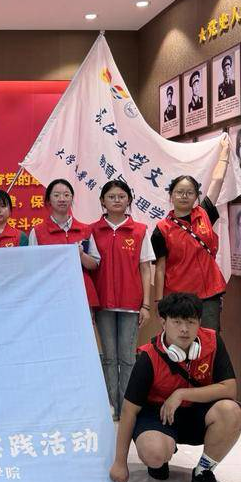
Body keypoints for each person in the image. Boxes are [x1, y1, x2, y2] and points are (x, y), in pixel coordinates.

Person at [109, 293, 241, 482]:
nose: (184, 329)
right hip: (158, 416)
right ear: (163, 322)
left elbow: (229, 388)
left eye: (191, 322)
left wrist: (181, 394)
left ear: (199, 322)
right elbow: (129, 411)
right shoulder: (148, 357)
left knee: (231, 411)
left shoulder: (213, 343)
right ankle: (163, 453)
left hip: (197, 414)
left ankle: (203, 473)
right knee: (154, 454)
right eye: (177, 322)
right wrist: (119, 462)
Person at [152, 136, 230, 331]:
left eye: (189, 192)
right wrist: (160, 301)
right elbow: (160, 268)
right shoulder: (161, 229)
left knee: (209, 338)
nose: (184, 196)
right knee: (179, 341)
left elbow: (217, 180)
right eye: (179, 192)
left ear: (196, 196)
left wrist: (225, 152)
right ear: (171, 196)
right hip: (177, 296)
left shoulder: (204, 213)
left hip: (209, 293)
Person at [91, 180, 153, 421]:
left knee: (127, 358)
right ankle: (111, 408)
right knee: (109, 358)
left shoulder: (140, 230)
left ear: (129, 200)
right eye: (111, 196)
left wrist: (146, 304)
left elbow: (145, 268)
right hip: (103, 304)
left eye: (121, 196)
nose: (116, 200)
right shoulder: (93, 231)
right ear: (102, 201)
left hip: (131, 305)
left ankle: (127, 409)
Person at [28, 179, 99, 308]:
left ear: (72, 199)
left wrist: (81, 255)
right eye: (56, 195)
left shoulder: (85, 230)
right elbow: (33, 266)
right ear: (49, 200)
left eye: (66, 195)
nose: (62, 199)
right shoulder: (37, 232)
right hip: (50, 295)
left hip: (81, 294)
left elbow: (94, 264)